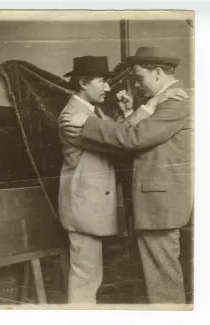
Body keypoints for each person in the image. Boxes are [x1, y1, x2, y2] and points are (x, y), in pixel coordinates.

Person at [59, 47, 193, 304]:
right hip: (92, 208)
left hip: (156, 207)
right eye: (103, 81)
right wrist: (142, 109)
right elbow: (124, 138)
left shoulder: (173, 102)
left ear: (156, 73)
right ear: (85, 83)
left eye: (140, 78)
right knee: (90, 276)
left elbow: (131, 138)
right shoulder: (72, 116)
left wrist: (146, 107)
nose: (110, 88)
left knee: (161, 279)